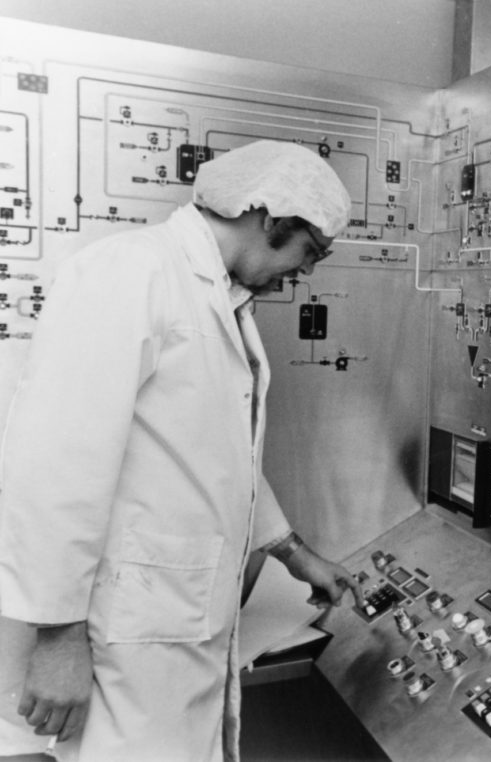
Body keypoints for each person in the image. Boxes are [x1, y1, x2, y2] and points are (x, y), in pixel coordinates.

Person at [0, 140, 364, 761]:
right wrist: (57, 638)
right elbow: (54, 463)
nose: (305, 274)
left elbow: (220, 458)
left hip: (175, 625)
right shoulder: (130, 272)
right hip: (120, 631)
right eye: (312, 252)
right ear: (272, 218)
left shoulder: (218, 299)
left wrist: (291, 551)